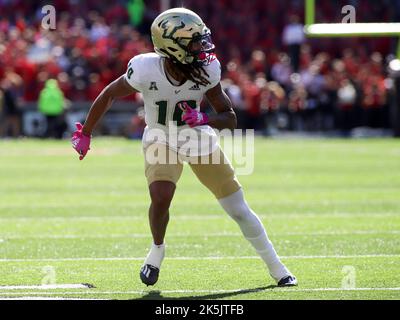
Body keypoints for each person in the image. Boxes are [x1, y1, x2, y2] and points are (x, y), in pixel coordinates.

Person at [71, 8, 297, 287]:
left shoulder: (207, 68)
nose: (202, 47)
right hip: (160, 136)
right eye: (194, 42)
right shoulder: (144, 68)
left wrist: (206, 118)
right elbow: (109, 94)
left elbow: (230, 118)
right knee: (161, 194)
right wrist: (87, 133)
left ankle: (278, 268)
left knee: (237, 208)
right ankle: (157, 250)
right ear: (172, 45)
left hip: (197, 137)